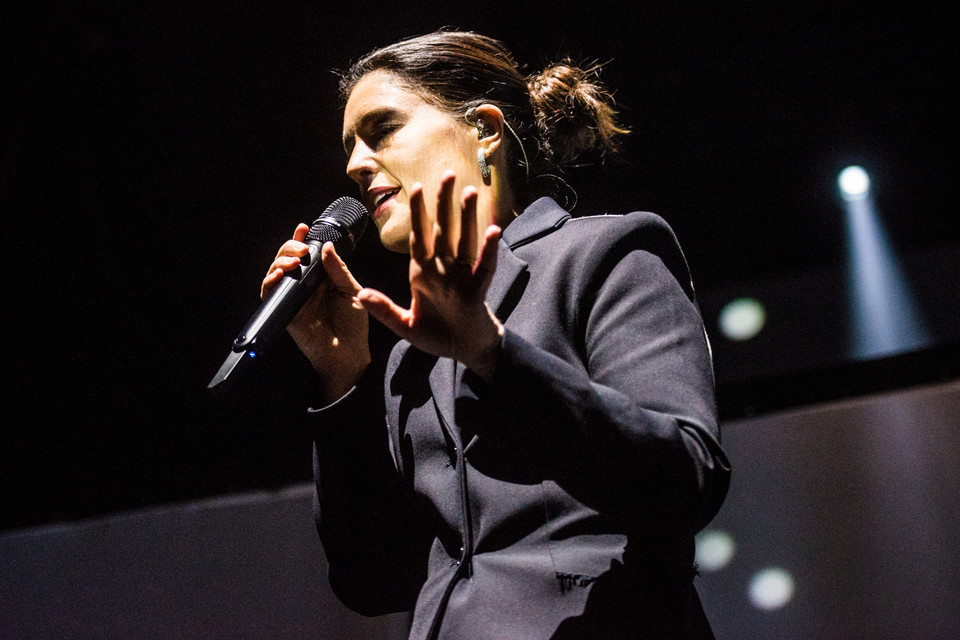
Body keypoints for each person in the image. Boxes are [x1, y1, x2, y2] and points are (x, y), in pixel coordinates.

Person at [261, 30, 730, 640]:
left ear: (484, 129)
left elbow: (684, 480)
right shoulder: (410, 353)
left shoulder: (602, 254)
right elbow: (376, 580)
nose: (354, 165)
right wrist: (341, 372)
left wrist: (492, 354)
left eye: (382, 131)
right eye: (350, 147)